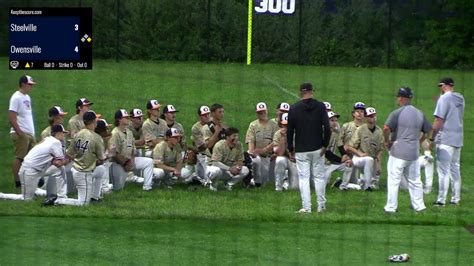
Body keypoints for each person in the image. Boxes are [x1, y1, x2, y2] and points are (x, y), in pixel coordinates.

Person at [383, 87, 431, 213]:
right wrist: (419, 141)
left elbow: (386, 128)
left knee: (394, 180)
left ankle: (391, 208)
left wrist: (386, 141)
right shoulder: (420, 113)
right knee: (415, 181)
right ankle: (420, 207)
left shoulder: (397, 113)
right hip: (414, 153)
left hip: (398, 152)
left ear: (401, 98)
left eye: (398, 96)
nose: (397, 99)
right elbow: (428, 130)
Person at [287, 83, 331, 213]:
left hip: (301, 150)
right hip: (318, 148)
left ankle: (306, 207)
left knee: (304, 179)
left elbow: (290, 131)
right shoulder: (321, 106)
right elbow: (327, 129)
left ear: (301, 92)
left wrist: (290, 149)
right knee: (319, 177)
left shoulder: (294, 108)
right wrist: (325, 144)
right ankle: (321, 206)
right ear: (312, 92)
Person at [0, 124, 68, 202]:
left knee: (59, 169)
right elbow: (61, 161)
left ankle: (61, 196)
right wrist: (69, 158)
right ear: (58, 133)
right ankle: (2, 196)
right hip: (29, 171)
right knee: (27, 199)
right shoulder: (56, 142)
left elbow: (56, 161)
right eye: (63, 133)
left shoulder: (47, 139)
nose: (64, 135)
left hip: (36, 169)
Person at [55, 111, 106, 206]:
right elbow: (101, 160)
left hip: (76, 169)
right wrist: (109, 154)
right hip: (84, 173)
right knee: (83, 203)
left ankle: (95, 196)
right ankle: (59, 200)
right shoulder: (97, 138)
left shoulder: (78, 134)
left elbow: (69, 154)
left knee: (101, 170)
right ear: (94, 122)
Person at [431, 77, 464, 206]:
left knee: (443, 171)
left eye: (441, 87)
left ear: (444, 86)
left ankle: (441, 200)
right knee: (455, 170)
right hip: (458, 139)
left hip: (445, 139)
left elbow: (438, 120)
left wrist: (432, 137)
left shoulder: (444, 99)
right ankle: (456, 199)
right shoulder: (460, 98)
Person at [109, 109, 154, 191]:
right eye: (125, 117)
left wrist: (131, 161)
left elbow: (133, 149)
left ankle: (147, 187)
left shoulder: (129, 132)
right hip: (118, 164)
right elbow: (114, 153)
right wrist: (124, 163)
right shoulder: (115, 133)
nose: (127, 119)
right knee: (118, 189)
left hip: (129, 161)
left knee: (149, 162)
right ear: (119, 119)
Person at [346, 107, 384, 191]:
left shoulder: (379, 131)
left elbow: (379, 150)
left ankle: (346, 184)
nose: (372, 117)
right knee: (369, 160)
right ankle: (367, 187)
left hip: (373, 160)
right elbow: (349, 147)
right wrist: (360, 154)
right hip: (358, 159)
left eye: (374, 115)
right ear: (366, 117)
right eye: (370, 116)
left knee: (375, 186)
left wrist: (378, 165)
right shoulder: (360, 129)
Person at [9, 75, 37, 188]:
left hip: (29, 133)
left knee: (34, 157)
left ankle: (32, 180)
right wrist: (19, 132)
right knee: (20, 157)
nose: (31, 87)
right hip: (21, 133)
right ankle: (18, 182)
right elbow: (11, 116)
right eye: (30, 84)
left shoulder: (27, 97)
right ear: (23, 84)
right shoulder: (16, 97)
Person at [324, 111, 359, 191]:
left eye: (336, 120)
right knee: (321, 187)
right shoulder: (321, 133)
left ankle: (343, 187)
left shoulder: (335, 132)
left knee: (348, 165)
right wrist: (340, 160)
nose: (335, 122)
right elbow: (325, 152)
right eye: (332, 120)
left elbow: (340, 145)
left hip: (331, 163)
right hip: (320, 165)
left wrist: (345, 156)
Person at [245, 102, 279, 186]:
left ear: (267, 111)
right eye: (260, 112)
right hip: (257, 155)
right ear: (257, 113)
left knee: (263, 181)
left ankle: (255, 181)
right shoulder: (253, 125)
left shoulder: (274, 125)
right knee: (256, 161)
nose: (262, 113)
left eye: (263, 111)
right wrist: (252, 152)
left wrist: (264, 150)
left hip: (268, 156)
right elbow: (250, 140)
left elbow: (276, 141)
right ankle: (250, 178)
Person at [272, 113, 298, 191]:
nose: (286, 127)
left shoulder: (299, 133)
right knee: (279, 160)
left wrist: (294, 156)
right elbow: (279, 153)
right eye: (284, 125)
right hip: (285, 158)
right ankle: (278, 187)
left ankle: (286, 181)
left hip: (296, 159)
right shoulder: (278, 134)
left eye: (288, 125)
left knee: (294, 188)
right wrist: (283, 138)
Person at [190, 106, 213, 184]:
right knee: (205, 179)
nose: (207, 117)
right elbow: (201, 147)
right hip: (203, 155)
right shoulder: (196, 128)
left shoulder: (215, 124)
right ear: (200, 116)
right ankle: (194, 176)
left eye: (208, 114)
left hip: (216, 152)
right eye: (204, 115)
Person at [95, 118, 114, 194]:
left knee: (107, 162)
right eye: (106, 128)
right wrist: (107, 155)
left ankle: (104, 185)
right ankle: (104, 187)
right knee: (105, 163)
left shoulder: (102, 138)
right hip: (89, 166)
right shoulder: (96, 140)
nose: (108, 130)